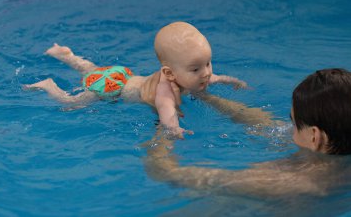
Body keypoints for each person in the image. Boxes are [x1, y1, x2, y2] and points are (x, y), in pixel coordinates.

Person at [24, 21, 261, 137]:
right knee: (71, 104)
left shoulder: (196, 75)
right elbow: (167, 115)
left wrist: (232, 81)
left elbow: (215, 78)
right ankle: (49, 85)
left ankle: (67, 55)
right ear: (169, 74)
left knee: (90, 69)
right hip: (111, 89)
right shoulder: (164, 91)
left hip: (120, 74)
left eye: (208, 63)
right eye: (197, 69)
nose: (207, 73)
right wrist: (174, 130)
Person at [145, 68, 351, 197]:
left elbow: (167, 174)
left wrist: (163, 117)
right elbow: (263, 124)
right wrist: (205, 96)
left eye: (294, 123)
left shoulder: (285, 182)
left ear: (315, 137)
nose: (289, 129)